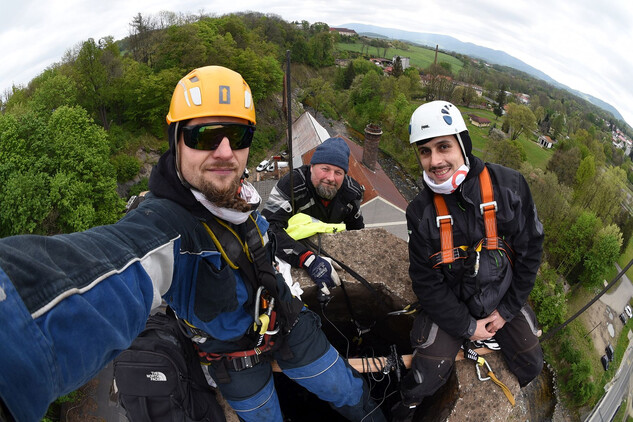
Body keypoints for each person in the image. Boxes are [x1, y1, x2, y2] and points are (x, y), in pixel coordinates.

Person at [0, 66, 385, 422]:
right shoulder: (167, 226)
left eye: (237, 135)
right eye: (202, 135)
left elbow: (269, 233)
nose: (223, 152)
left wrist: (306, 256)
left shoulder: (241, 199)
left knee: (348, 392)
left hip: (286, 320)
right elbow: (110, 268)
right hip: (234, 358)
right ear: (176, 141)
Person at [392, 101, 544, 420]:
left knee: (531, 361)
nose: (435, 160)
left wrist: (506, 311)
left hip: (500, 298)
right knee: (426, 371)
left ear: (463, 142)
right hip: (452, 304)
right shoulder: (420, 213)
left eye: (443, 146)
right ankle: (406, 407)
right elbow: (426, 281)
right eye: (424, 151)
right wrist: (466, 326)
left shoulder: (510, 188)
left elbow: (530, 253)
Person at [262, 136, 365, 295]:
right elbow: (268, 228)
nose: (331, 178)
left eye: (338, 172)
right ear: (311, 167)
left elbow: (358, 232)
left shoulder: (352, 193)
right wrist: (307, 259)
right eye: (325, 169)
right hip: (296, 246)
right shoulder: (291, 184)